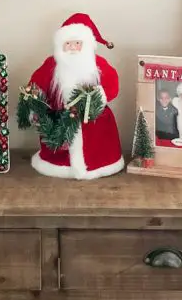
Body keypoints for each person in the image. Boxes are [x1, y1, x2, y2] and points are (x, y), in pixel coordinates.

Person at [24, 12, 124, 180]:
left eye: (77, 43)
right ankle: (61, 164)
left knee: (98, 145)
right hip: (59, 123)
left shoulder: (98, 65)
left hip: (93, 122)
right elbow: (36, 84)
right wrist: (34, 103)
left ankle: (98, 165)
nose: (72, 48)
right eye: (67, 43)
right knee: (58, 145)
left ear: (86, 45)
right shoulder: (51, 65)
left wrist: (99, 97)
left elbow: (112, 84)